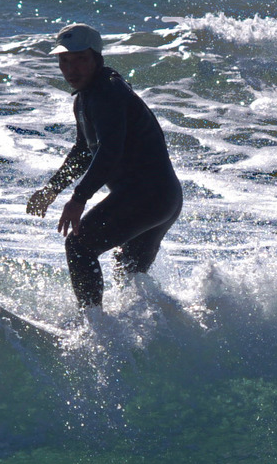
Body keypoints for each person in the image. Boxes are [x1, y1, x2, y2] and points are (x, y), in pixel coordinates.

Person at [26, 23, 183, 307]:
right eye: (64, 61)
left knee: (79, 247)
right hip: (162, 199)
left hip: (146, 196)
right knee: (129, 273)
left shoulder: (107, 93)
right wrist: (53, 189)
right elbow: (84, 151)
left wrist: (78, 198)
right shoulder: (89, 95)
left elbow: (109, 151)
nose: (71, 70)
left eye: (81, 60)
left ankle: (93, 326)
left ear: (97, 58)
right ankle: (150, 329)